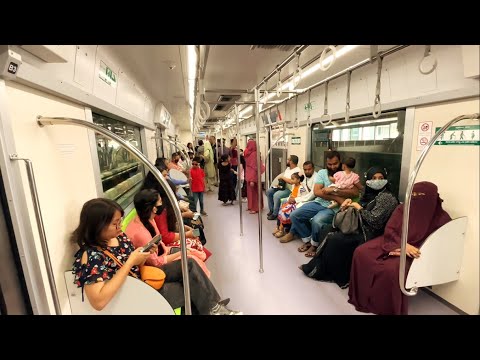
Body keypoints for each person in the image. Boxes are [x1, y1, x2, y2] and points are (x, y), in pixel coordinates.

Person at [71, 198, 241, 314]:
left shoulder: (118, 237)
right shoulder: (91, 256)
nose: (120, 226)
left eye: (120, 221)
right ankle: (213, 309)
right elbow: (98, 302)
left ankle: (214, 308)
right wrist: (131, 262)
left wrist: (144, 255)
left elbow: (134, 262)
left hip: (142, 277)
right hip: (135, 294)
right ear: (97, 225)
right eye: (115, 223)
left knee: (188, 264)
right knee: (193, 291)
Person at [348, 181, 451, 315]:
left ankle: (386, 308)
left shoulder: (442, 218)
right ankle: (362, 298)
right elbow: (390, 230)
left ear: (432, 197)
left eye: (420, 195)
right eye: (413, 194)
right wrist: (401, 245)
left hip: (416, 251)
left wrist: (409, 249)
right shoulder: (403, 209)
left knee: (392, 269)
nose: (415, 198)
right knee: (361, 252)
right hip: (394, 240)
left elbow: (437, 245)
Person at [298, 167, 398, 287]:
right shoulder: (368, 194)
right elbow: (358, 209)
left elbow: (375, 221)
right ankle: (320, 267)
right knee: (326, 229)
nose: (377, 181)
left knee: (335, 238)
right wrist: (347, 206)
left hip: (371, 232)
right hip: (359, 225)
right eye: (374, 178)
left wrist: (358, 208)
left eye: (381, 178)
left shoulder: (387, 197)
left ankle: (341, 276)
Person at [279, 151, 357, 245]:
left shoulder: (348, 175)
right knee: (295, 215)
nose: (332, 167)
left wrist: (333, 190)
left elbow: (355, 192)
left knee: (317, 220)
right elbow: (317, 192)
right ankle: (308, 239)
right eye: (329, 164)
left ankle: (314, 245)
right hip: (319, 202)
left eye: (335, 164)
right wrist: (337, 198)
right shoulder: (322, 173)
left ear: (340, 162)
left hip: (335, 208)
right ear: (326, 163)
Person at [126, 189, 210, 277]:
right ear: (154, 209)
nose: (162, 204)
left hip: (163, 250)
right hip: (157, 264)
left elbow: (161, 242)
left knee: (194, 252)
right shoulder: (142, 232)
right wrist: (186, 238)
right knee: (192, 260)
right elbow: (157, 259)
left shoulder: (149, 219)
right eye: (160, 202)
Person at [266, 155, 301, 220]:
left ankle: (275, 214)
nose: (287, 161)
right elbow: (284, 180)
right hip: (283, 187)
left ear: (291, 161)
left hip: (290, 189)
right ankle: (271, 210)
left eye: (288, 160)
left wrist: (282, 177)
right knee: (269, 191)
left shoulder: (297, 171)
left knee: (277, 195)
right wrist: (278, 185)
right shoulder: (288, 169)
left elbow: (292, 181)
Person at [273, 172, 306, 238]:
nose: (291, 181)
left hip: (297, 203)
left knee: (284, 212)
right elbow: (292, 194)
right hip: (291, 202)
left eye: (293, 179)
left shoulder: (302, 188)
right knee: (281, 209)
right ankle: (278, 227)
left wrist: (294, 199)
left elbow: (303, 197)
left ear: (298, 180)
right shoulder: (294, 186)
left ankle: (281, 230)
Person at [244, 139, 265, 214]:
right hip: (250, 175)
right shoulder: (249, 154)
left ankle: (255, 208)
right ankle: (251, 206)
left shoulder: (254, 155)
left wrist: (252, 179)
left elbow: (254, 167)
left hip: (253, 176)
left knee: (254, 193)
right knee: (250, 192)